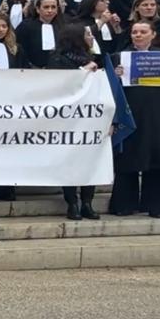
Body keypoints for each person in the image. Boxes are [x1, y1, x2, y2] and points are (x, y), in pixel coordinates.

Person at [49, 24, 102, 221]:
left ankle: (88, 202)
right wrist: (82, 71)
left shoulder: (94, 58)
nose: (90, 37)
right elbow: (59, 85)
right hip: (67, 119)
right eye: (87, 34)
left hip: (89, 118)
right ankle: (72, 202)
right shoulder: (57, 59)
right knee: (69, 162)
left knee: (90, 162)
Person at [112, 19, 160, 217]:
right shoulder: (120, 58)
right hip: (130, 114)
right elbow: (111, 88)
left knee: (156, 158)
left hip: (156, 114)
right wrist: (116, 75)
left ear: (153, 35)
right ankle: (124, 204)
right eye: (134, 32)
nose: (138, 35)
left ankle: (155, 205)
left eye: (142, 32)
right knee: (128, 158)